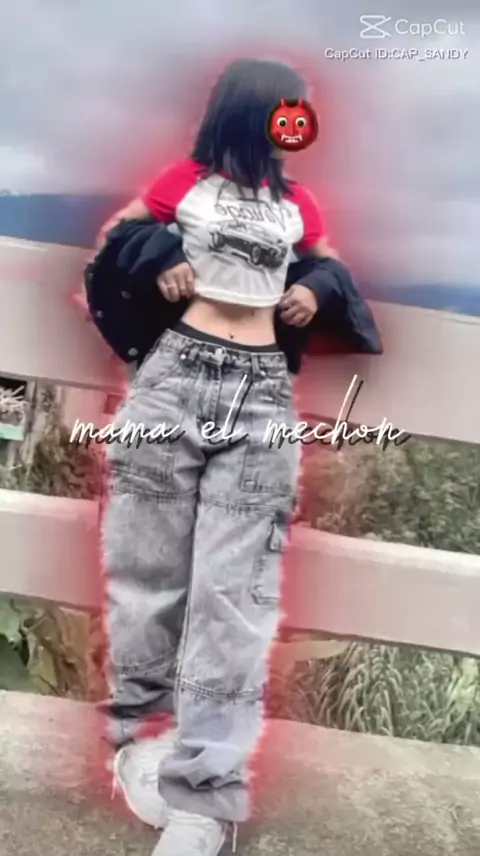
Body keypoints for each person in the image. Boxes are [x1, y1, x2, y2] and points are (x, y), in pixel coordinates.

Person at [101, 57, 336, 856]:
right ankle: (141, 741)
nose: (297, 123)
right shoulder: (186, 182)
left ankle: (204, 796)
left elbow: (323, 265)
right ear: (252, 110)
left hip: (261, 393)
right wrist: (158, 257)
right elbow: (123, 239)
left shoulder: (297, 202)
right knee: (146, 577)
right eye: (287, 110)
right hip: (174, 379)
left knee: (232, 598)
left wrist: (317, 288)